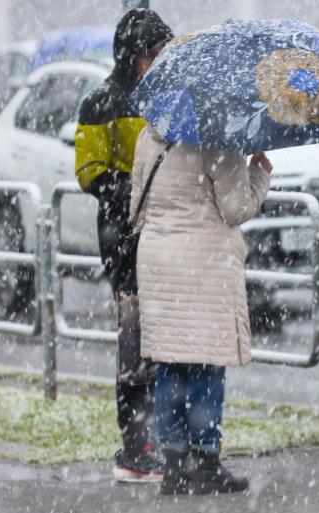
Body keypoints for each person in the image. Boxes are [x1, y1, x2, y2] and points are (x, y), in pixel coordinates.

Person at [130, 123, 272, 495]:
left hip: (158, 257)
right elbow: (236, 208)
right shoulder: (219, 136)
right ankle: (205, 462)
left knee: (170, 363)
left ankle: (175, 466)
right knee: (207, 363)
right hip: (203, 261)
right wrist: (259, 174)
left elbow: (136, 207)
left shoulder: (149, 135)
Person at [74, 9, 173, 482]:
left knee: (165, 340)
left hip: (164, 232)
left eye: (162, 53)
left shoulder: (167, 99)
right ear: (131, 55)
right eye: (151, 54)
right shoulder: (100, 103)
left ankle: (159, 439)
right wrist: (134, 188)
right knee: (135, 344)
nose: (157, 62)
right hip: (124, 238)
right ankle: (136, 445)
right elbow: (89, 172)